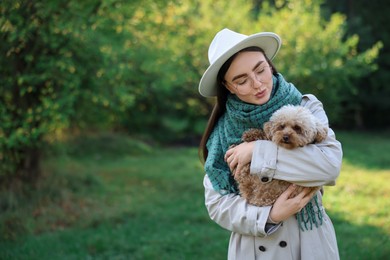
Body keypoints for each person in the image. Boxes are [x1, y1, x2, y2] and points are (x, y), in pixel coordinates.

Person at [198, 28, 343, 260]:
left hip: (309, 242)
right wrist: (269, 216)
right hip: (255, 246)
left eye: (260, 69)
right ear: (228, 86)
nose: (257, 84)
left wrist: (257, 150)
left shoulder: (306, 106)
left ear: (269, 64)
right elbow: (217, 204)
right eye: (241, 80)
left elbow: (329, 166)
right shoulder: (222, 134)